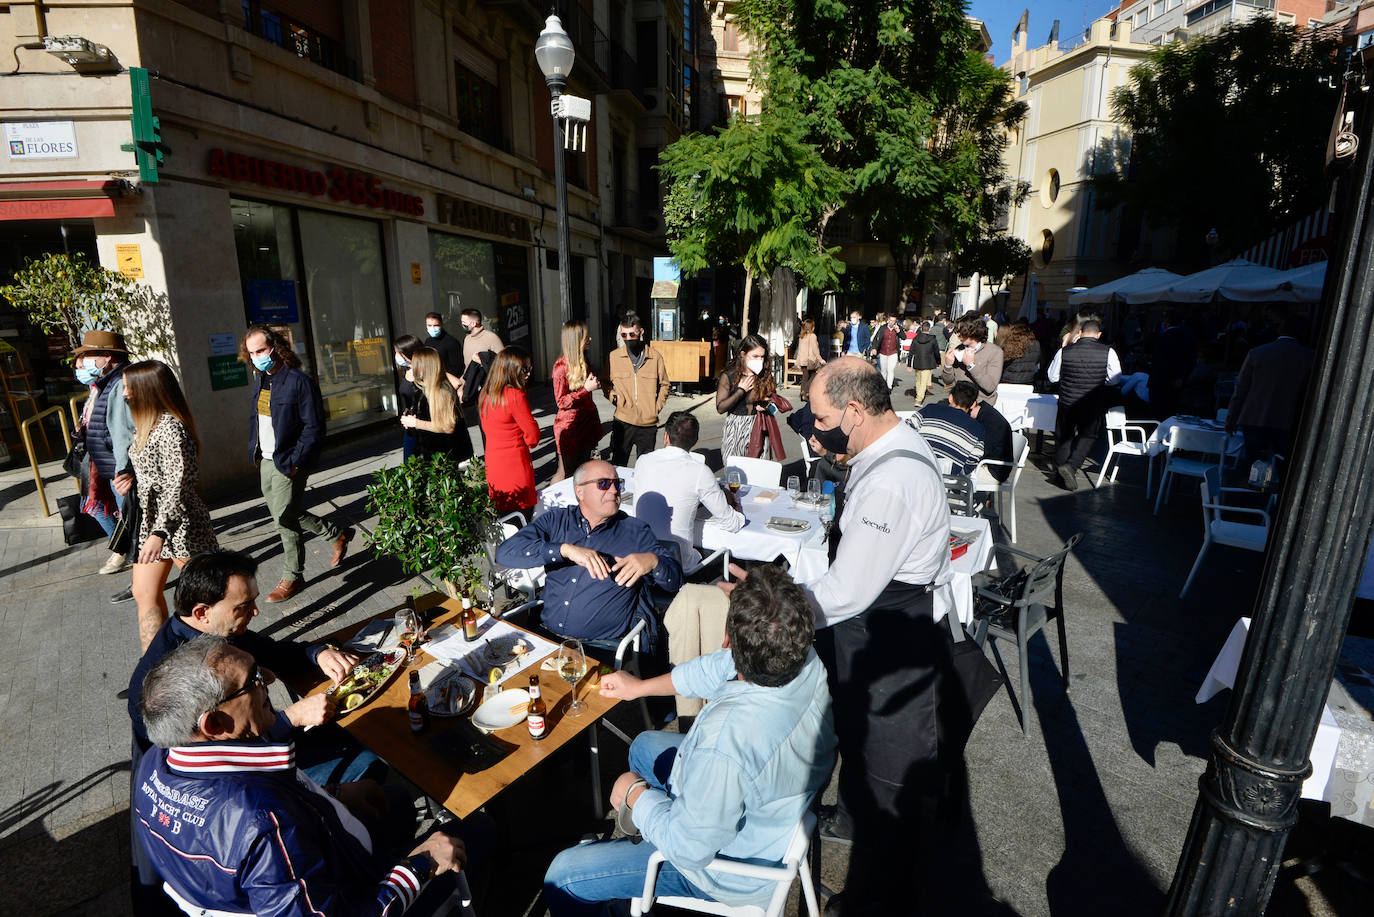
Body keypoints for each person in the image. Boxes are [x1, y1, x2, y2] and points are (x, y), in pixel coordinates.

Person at [766, 357, 956, 914]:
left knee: (888, 788)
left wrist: (776, 605)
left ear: (854, 411)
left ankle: (877, 898)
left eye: (822, 418)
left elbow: (848, 591)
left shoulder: (892, 482)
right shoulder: (891, 446)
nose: (816, 430)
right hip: (884, 629)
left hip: (894, 647)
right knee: (865, 766)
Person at [543, 565, 836, 916]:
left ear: (728, 641)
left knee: (562, 876)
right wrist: (637, 688)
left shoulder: (726, 742)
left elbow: (690, 848)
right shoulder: (802, 656)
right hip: (774, 805)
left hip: (717, 872)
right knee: (644, 747)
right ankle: (646, 840)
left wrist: (636, 795)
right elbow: (714, 669)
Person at [134, 637, 478, 917]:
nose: (268, 679)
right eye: (253, 680)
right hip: (357, 893)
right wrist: (421, 863)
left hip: (323, 855)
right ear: (215, 724)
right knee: (477, 834)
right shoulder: (264, 824)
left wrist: (333, 794)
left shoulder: (155, 762)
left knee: (398, 802)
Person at [494, 459, 682, 652]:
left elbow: (675, 582)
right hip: (545, 637)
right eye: (603, 484)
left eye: (617, 483)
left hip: (602, 647)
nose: (614, 490)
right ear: (580, 492)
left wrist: (653, 561)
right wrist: (564, 550)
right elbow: (505, 553)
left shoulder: (636, 531)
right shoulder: (556, 520)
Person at [244, 325, 352, 603]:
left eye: (261, 350)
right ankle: (336, 534)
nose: (257, 356)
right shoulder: (260, 380)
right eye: (252, 352)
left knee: (283, 518)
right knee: (286, 514)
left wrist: (295, 461)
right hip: (265, 459)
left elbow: (314, 427)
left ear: (274, 348)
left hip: (287, 461)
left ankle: (293, 575)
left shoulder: (297, 382)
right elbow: (258, 421)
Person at [117, 361, 219, 651]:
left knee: (205, 597)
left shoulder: (171, 428)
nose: (125, 393)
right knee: (143, 592)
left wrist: (159, 532)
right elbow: (155, 473)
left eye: (128, 387)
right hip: (153, 521)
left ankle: (221, 655)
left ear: (146, 389)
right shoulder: (146, 426)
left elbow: (179, 484)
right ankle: (155, 666)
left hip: (183, 524)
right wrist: (132, 480)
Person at [633, 411, 744, 570]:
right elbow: (732, 524)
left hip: (641, 554)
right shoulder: (700, 471)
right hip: (678, 563)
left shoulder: (643, 461)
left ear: (666, 437)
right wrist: (737, 509)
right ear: (695, 442)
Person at [72, 329, 136, 574]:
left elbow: (122, 434)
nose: (84, 363)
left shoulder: (121, 384)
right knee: (130, 521)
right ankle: (132, 560)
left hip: (118, 468)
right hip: (107, 464)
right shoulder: (104, 383)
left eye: (88, 356)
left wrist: (123, 470)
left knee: (133, 523)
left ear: (107, 356)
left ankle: (131, 561)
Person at [1224, 316, 1315, 464]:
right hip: (1288, 419)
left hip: (1255, 417)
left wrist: (1231, 419)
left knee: (1254, 464)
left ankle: (1253, 485)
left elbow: (1241, 390)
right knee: (1282, 463)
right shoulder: (1309, 357)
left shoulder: (1257, 353)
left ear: (1279, 330)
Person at [1048, 319, 1122, 491]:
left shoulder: (1064, 351)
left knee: (1064, 437)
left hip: (1067, 401)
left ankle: (1060, 474)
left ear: (1080, 332)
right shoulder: (1108, 352)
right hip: (1092, 402)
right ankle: (1071, 467)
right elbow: (1115, 379)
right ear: (1099, 334)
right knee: (1088, 437)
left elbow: (1053, 377)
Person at [479, 346, 541, 516]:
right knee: (522, 517)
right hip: (515, 465)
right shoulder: (515, 395)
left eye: (530, 368)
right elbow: (533, 437)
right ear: (511, 370)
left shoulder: (485, 393)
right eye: (525, 369)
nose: (528, 373)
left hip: (494, 463)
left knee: (505, 517)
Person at [603, 311, 670, 466]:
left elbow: (665, 384)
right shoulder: (614, 357)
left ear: (641, 332)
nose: (627, 339)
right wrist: (615, 398)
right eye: (623, 335)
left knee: (646, 469)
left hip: (647, 424)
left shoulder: (655, 357)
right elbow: (605, 382)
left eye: (631, 334)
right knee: (618, 467)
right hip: (623, 421)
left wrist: (656, 407)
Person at [716, 333, 790, 460]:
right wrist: (740, 390)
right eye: (755, 356)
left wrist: (767, 405)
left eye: (762, 357)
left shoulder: (764, 375)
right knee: (736, 473)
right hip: (736, 427)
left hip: (760, 425)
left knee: (759, 474)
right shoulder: (729, 375)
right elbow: (720, 408)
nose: (759, 361)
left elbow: (774, 402)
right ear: (743, 354)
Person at [552, 320, 603, 483]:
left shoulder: (583, 361)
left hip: (585, 423)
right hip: (570, 427)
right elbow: (561, 402)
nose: (590, 339)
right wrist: (586, 389)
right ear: (577, 339)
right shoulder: (560, 366)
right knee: (565, 473)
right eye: (586, 336)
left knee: (583, 471)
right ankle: (552, 505)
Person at [402, 347, 473, 463]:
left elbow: (448, 426)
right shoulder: (424, 387)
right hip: (433, 455)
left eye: (413, 364)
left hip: (443, 458)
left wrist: (416, 423)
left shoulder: (441, 391)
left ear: (423, 368)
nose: (411, 367)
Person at [915, 380, 986, 475]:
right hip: (948, 483)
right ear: (973, 404)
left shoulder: (929, 409)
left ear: (950, 398)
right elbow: (970, 465)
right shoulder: (978, 430)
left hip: (916, 470)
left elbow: (907, 430)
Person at [941, 318, 1004, 405]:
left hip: (981, 405)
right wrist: (948, 365)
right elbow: (947, 381)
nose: (958, 335)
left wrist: (971, 365)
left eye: (962, 331)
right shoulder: (959, 349)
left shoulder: (995, 352)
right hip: (959, 405)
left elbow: (990, 386)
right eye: (957, 331)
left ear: (974, 331)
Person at [1148, 310, 1198, 421]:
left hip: (1160, 382)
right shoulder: (1188, 338)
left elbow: (1157, 360)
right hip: (1177, 383)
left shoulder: (1161, 337)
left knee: (1158, 415)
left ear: (1166, 322)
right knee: (1173, 414)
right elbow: (1191, 360)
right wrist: (1181, 377)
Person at [458, 308, 503, 408]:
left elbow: (503, 364)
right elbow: (467, 367)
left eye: (464, 322)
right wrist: (461, 387)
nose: (462, 325)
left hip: (491, 389)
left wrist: (481, 361)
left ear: (473, 323)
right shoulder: (467, 339)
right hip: (475, 388)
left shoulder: (491, 338)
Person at [393, 333, 423, 461]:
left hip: (424, 426)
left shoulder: (424, 371)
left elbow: (456, 383)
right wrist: (406, 412)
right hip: (410, 427)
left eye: (398, 353)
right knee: (410, 466)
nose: (396, 356)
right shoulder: (406, 371)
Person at [422, 310, 464, 380]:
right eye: (429, 325)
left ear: (441, 325)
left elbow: (457, 366)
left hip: (445, 381)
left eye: (436, 325)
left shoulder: (451, 342)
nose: (432, 328)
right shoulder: (428, 341)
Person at [908, 320, 943, 404]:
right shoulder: (932, 339)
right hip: (928, 362)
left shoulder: (915, 338)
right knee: (923, 382)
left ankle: (918, 394)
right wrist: (938, 362)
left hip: (917, 361)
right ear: (929, 329)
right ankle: (919, 399)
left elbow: (911, 352)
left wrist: (909, 364)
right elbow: (936, 352)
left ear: (921, 329)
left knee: (918, 380)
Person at [795, 317, 825, 401]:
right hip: (810, 361)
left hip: (802, 360)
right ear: (811, 327)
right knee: (814, 375)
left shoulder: (801, 336)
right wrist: (820, 359)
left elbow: (799, 350)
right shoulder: (812, 336)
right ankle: (805, 391)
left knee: (805, 377)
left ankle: (802, 393)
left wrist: (798, 362)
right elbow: (815, 350)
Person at [873, 312, 902, 390]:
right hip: (883, 352)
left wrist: (899, 331)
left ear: (895, 322)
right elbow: (876, 338)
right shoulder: (883, 328)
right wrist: (874, 348)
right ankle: (883, 385)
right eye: (890, 320)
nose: (891, 322)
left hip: (893, 353)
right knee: (883, 371)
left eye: (893, 321)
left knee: (890, 370)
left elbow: (904, 337)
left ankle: (889, 387)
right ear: (888, 320)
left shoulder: (898, 328)